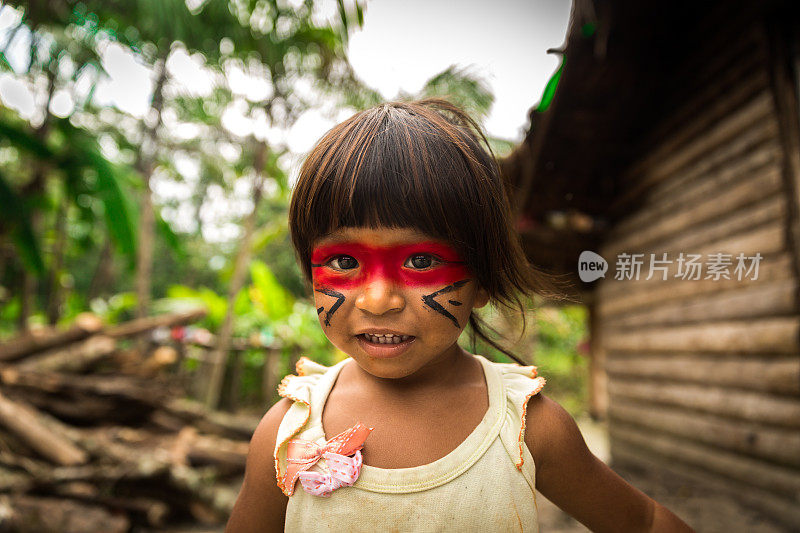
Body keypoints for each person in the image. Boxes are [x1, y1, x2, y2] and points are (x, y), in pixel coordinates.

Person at [226, 100, 693, 532]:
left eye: (423, 262)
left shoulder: (526, 429)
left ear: (484, 280)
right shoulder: (287, 432)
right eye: (345, 262)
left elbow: (645, 522)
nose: (377, 300)